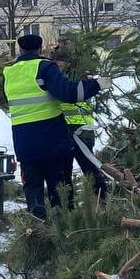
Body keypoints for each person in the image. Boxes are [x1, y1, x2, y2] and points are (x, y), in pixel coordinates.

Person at [3, 34, 102, 218]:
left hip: (24, 142)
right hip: (50, 139)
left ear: (21, 50)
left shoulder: (9, 72)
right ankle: (64, 227)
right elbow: (69, 92)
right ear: (40, 50)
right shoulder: (45, 67)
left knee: (32, 188)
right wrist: (96, 84)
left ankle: (36, 229)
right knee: (60, 188)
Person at [51, 43, 109, 200]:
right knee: (64, 171)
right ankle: (68, 207)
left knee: (89, 168)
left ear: (67, 62)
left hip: (81, 129)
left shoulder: (73, 77)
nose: (56, 66)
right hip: (66, 129)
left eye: (58, 63)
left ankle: (102, 200)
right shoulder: (61, 76)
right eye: (54, 63)